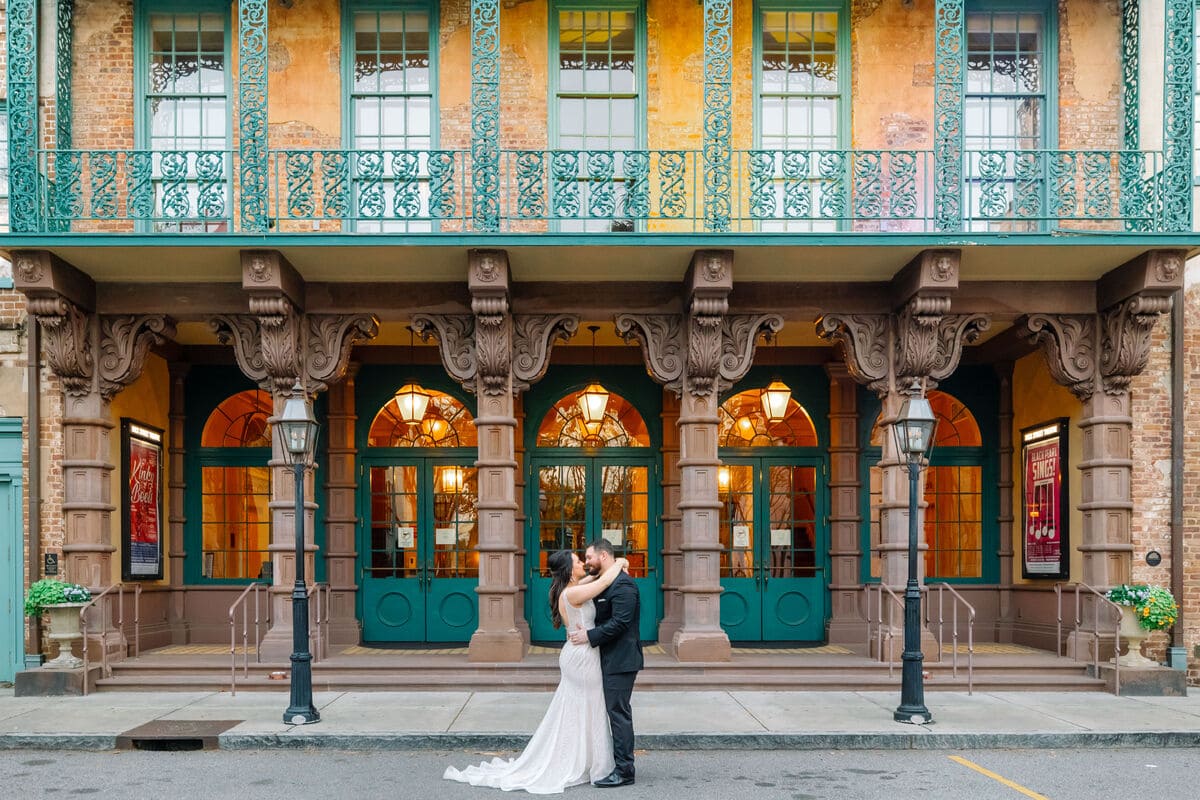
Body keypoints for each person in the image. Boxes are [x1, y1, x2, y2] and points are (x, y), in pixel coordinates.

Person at [443, 549, 628, 794]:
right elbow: (603, 580)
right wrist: (621, 561)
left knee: (582, 708)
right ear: (568, 570)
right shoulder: (572, 593)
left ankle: (586, 759)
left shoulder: (572, 588)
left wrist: (610, 567)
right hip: (583, 658)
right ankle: (593, 763)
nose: (582, 563)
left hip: (580, 654)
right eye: (577, 561)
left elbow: (595, 579)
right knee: (590, 706)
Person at [567, 538, 643, 788]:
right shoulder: (606, 582)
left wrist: (589, 635)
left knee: (618, 714)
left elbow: (620, 623)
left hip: (621, 661)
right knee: (613, 712)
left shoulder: (624, 586)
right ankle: (614, 764)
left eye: (589, 557)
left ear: (603, 556)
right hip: (607, 658)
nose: (587, 562)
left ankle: (625, 771)